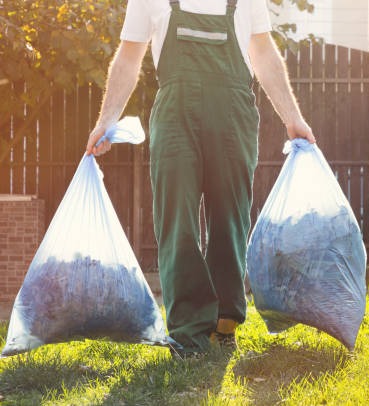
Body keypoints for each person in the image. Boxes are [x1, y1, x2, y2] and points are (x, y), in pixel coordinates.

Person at [86, 0, 315, 358]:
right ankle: (188, 331)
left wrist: (292, 117)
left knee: (231, 217)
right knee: (176, 220)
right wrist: (106, 119)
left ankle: (224, 323)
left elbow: (264, 52)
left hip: (233, 113)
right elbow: (129, 57)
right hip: (175, 115)